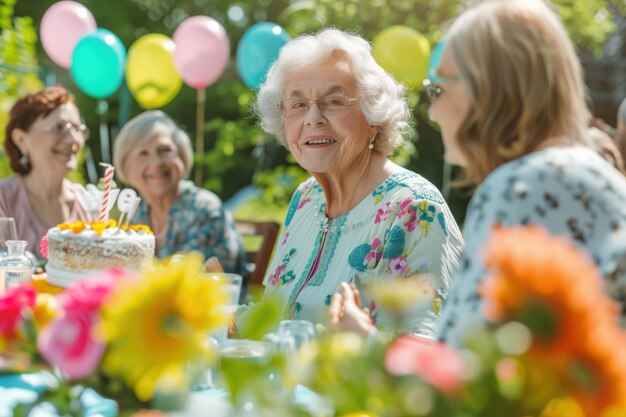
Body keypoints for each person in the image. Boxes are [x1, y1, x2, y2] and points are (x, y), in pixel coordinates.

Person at [422, 0, 626, 346]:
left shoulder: (521, 186)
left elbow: (465, 363)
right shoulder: (590, 173)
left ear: (486, 90)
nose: (433, 111)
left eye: (438, 89)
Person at [254, 28, 464, 336]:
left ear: (372, 118)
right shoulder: (305, 198)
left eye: (334, 101)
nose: (313, 117)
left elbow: (426, 357)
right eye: (297, 105)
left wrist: (361, 342)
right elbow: (275, 317)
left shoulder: (415, 208)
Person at [112, 110, 247, 275]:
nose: (156, 163)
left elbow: (188, 279)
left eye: (164, 150)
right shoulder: (136, 214)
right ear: (126, 167)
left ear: (182, 156)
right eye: (143, 153)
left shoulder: (204, 209)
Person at [0, 86, 89, 257]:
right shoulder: (4, 200)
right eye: (59, 128)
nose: (74, 140)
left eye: (78, 129)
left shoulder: (89, 204)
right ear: (21, 140)